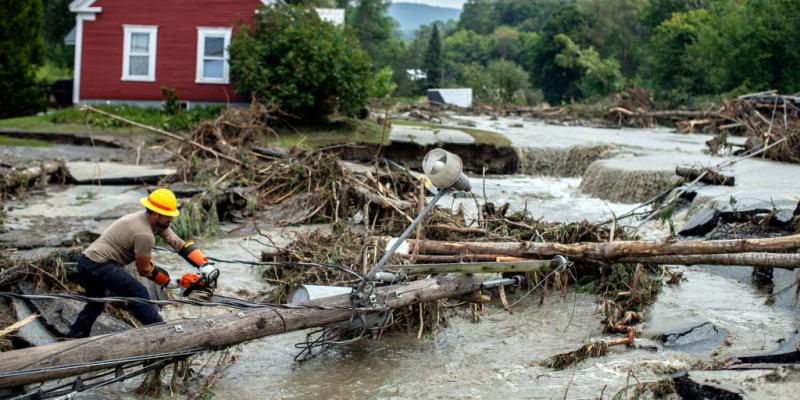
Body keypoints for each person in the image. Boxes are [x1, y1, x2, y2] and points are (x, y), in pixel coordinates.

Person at [66, 188, 218, 338]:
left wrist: (204, 265)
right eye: (167, 216)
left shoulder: (155, 222)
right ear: (154, 213)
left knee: (96, 303)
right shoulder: (145, 234)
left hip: (88, 262)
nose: (171, 219)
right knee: (139, 294)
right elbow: (144, 269)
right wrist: (170, 283)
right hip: (99, 265)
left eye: (172, 216)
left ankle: (74, 336)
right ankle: (162, 337)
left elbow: (176, 242)